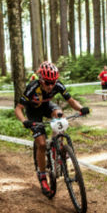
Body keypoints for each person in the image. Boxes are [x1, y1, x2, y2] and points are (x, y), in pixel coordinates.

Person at [15, 61, 89, 197]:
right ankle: (43, 177)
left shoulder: (57, 84)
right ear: (41, 80)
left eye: (53, 82)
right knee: (41, 144)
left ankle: (58, 144)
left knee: (59, 115)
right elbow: (18, 108)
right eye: (47, 82)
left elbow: (71, 101)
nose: (50, 86)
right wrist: (24, 121)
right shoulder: (32, 87)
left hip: (47, 106)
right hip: (33, 112)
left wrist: (81, 108)